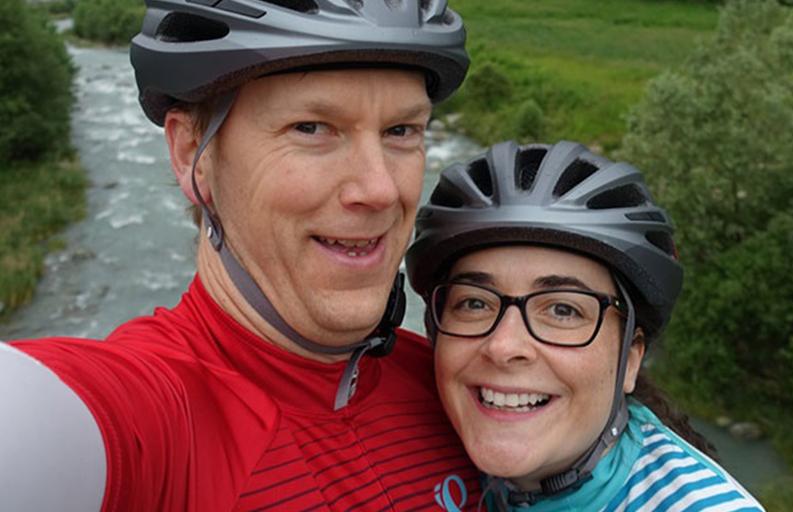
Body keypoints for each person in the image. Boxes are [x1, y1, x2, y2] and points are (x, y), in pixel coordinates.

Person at [0, 1, 482, 510]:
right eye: (311, 127)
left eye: (401, 131)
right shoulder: (153, 416)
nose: (380, 189)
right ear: (192, 154)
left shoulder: (460, 393)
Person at [405, 141, 766, 511]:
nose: (504, 346)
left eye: (563, 310)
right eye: (475, 303)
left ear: (630, 359)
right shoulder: (415, 441)